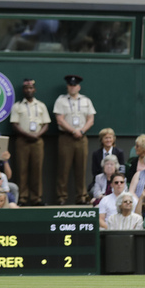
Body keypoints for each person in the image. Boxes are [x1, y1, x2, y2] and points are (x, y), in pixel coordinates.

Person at [54, 74, 96, 205]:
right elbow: (59, 120)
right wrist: (73, 131)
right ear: (67, 86)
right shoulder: (61, 100)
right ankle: (61, 197)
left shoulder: (86, 100)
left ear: (79, 87)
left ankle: (81, 197)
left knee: (81, 168)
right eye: (70, 85)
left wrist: (81, 131)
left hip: (82, 138)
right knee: (63, 169)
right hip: (66, 137)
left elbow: (91, 119)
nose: (72, 88)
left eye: (75, 85)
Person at [10, 78, 51, 206]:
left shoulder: (41, 105)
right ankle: (22, 198)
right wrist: (27, 134)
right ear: (23, 90)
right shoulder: (17, 106)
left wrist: (37, 134)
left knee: (37, 170)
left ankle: (36, 198)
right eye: (26, 88)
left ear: (34, 89)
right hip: (22, 140)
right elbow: (15, 124)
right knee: (22, 170)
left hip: (38, 140)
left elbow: (46, 124)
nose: (29, 90)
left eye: (31, 88)